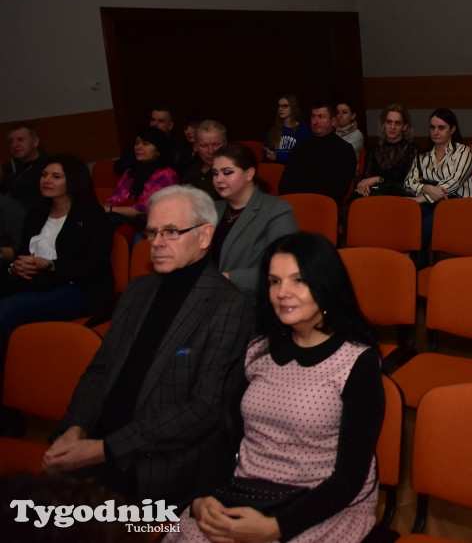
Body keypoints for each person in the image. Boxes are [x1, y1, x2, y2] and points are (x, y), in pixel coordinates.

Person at [43, 186, 252, 504]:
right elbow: (100, 369)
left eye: (171, 232)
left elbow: (203, 410)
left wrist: (104, 449)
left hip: (156, 461)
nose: (156, 243)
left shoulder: (229, 305)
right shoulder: (138, 289)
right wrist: (76, 427)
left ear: (204, 236)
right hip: (95, 440)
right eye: (152, 232)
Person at [171, 232, 383, 543]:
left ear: (326, 285)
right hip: (247, 491)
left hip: (317, 504)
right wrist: (203, 497)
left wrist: (277, 527)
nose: (283, 292)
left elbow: (349, 478)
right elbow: (226, 437)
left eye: (299, 280)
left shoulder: (356, 361)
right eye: (274, 281)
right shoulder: (259, 349)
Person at [0, 154, 113, 340]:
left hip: (80, 289)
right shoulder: (35, 215)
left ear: (73, 180)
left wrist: (49, 265)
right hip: (37, 283)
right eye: (44, 175)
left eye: (56, 176)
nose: (47, 180)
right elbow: (22, 254)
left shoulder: (91, 214)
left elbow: (96, 264)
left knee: (7, 309)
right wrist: (15, 267)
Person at [211, 144, 298, 295]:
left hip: (252, 301)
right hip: (209, 298)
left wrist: (224, 278)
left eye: (227, 172)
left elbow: (284, 267)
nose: (218, 179)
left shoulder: (277, 210)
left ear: (249, 173)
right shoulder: (211, 209)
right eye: (215, 173)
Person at [404, 108, 472, 265]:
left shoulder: (463, 152)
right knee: (407, 220)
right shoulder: (423, 156)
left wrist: (420, 198)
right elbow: (409, 182)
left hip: (456, 205)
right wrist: (428, 189)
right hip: (429, 204)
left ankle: (417, 272)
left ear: (453, 129)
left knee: (418, 230)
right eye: (432, 127)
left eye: (441, 127)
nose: (435, 132)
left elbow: (452, 185)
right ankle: (417, 272)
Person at [279, 102, 358, 223]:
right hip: (296, 205)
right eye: (313, 116)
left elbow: (341, 187)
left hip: (325, 207)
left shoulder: (344, 149)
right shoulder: (300, 146)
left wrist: (312, 201)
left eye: (321, 117)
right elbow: (286, 180)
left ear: (333, 121)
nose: (315, 121)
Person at [104, 127, 180, 236]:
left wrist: (111, 209)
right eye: (137, 143)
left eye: (145, 144)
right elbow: (115, 199)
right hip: (120, 219)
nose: (138, 147)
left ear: (158, 150)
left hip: (151, 225)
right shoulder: (130, 172)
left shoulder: (166, 174)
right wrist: (106, 208)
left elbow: (146, 209)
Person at [353, 104, 418, 198]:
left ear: (404, 126)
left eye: (397, 123)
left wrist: (379, 179)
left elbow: (409, 187)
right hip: (373, 197)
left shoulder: (412, 149)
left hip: (399, 199)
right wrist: (363, 186)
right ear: (383, 124)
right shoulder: (374, 148)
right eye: (389, 122)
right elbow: (366, 179)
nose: (392, 127)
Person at [114, 107, 178, 175]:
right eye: (153, 120)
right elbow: (118, 167)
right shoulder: (139, 146)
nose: (155, 125)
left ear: (170, 126)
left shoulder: (176, 150)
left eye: (161, 121)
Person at [1, 122, 48, 212]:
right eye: (11, 141)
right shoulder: (7, 170)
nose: (15, 145)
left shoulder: (47, 168)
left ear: (35, 142)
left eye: (20, 139)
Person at [181, 120, 228, 201]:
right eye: (204, 145)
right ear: (195, 146)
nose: (211, 151)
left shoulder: (232, 174)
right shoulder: (191, 172)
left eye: (216, 144)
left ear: (225, 144)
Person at [264, 94, 310, 164]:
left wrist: (278, 158)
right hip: (275, 169)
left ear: (293, 108)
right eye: (279, 106)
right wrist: (269, 155)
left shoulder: (303, 130)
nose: (280, 109)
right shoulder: (273, 131)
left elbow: (303, 157)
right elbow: (266, 151)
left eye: (284, 106)